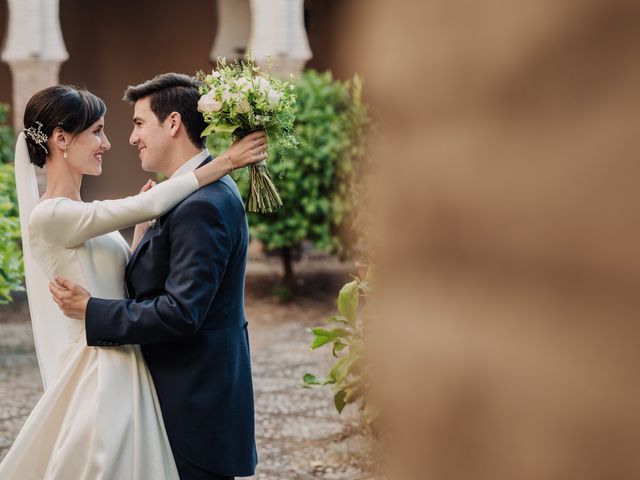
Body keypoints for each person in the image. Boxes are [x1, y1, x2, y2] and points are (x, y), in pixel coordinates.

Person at [1, 83, 266, 479]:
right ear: (60, 139)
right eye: (97, 131)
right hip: (103, 371)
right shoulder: (51, 216)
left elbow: (124, 277)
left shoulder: (84, 213)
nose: (111, 142)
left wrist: (141, 238)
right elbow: (143, 204)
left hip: (133, 365)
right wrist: (227, 160)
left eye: (133, 124)